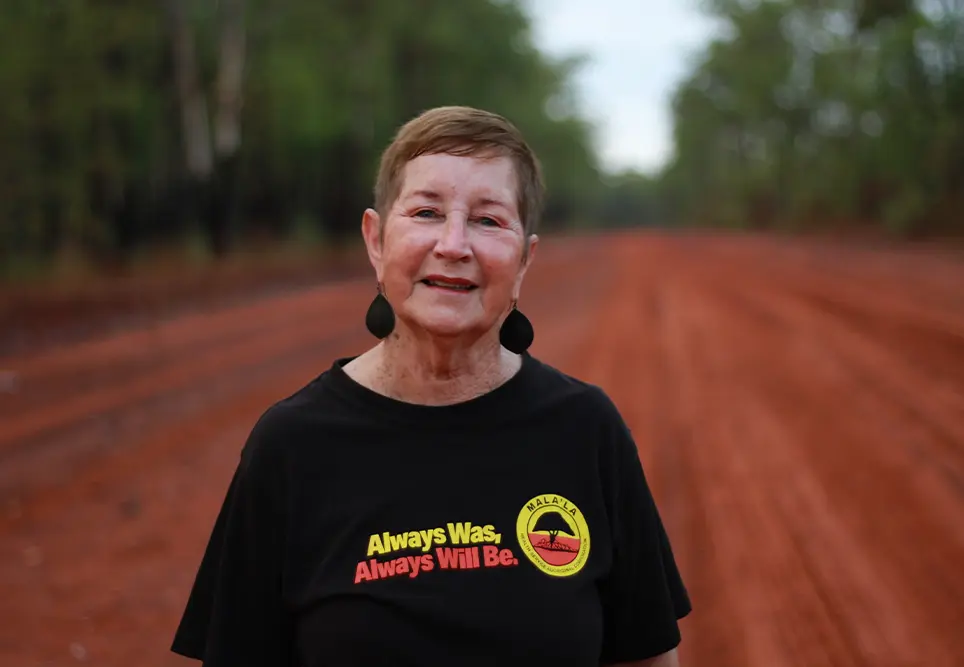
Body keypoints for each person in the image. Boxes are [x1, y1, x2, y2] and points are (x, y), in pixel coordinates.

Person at [170, 105, 691, 667]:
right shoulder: (291, 446)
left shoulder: (586, 430)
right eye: (426, 212)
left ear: (523, 260)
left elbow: (646, 657)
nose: (454, 244)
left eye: (488, 220)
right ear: (376, 241)